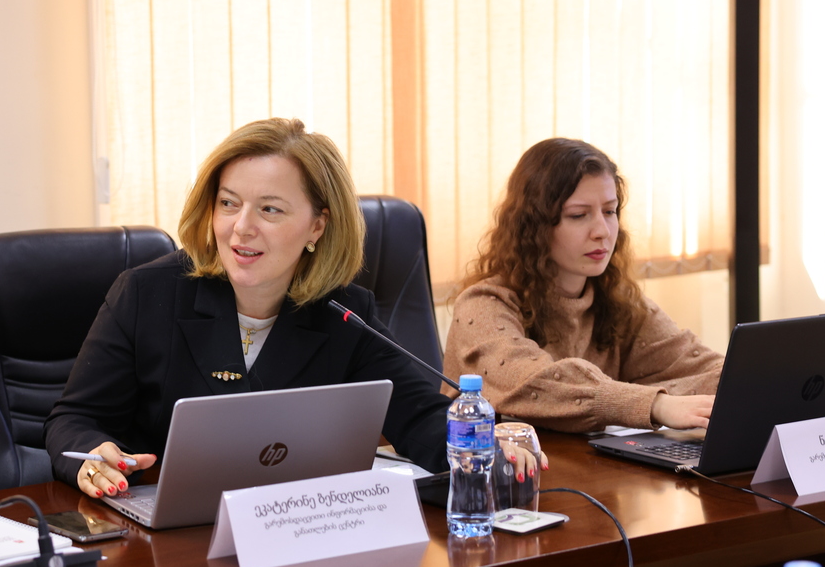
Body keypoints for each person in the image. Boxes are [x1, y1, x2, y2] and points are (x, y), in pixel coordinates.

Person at [45, 117, 544, 498]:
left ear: (317, 226)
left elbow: (419, 416)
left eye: (270, 209)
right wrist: (90, 457)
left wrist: (481, 443)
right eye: (228, 203)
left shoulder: (345, 313)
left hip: (295, 528)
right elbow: (73, 420)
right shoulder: (146, 294)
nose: (241, 227)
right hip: (166, 535)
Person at [444, 138, 723, 433]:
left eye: (610, 211)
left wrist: (672, 399)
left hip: (590, 462)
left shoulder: (616, 300)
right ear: (534, 226)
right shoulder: (481, 304)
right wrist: (656, 405)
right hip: (499, 462)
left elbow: (709, 370)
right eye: (578, 215)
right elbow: (533, 382)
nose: (603, 231)